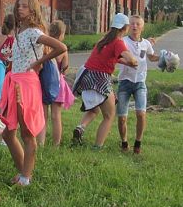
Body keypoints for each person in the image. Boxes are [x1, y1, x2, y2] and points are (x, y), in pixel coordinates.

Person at [0, 0, 66, 186]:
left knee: (27, 132)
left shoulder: (34, 33)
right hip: (13, 81)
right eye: (19, 6)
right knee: (8, 133)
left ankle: (26, 177)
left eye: (25, 7)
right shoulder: (20, 31)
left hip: (26, 84)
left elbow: (60, 47)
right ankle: (22, 172)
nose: (20, 9)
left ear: (33, 10)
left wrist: (38, 62)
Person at [71, 13, 138, 149]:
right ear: (124, 28)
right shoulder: (118, 42)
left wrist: (123, 62)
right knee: (109, 115)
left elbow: (109, 57)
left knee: (94, 109)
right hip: (100, 79)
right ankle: (98, 146)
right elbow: (130, 58)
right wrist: (134, 61)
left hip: (87, 75)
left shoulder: (104, 40)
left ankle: (80, 127)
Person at [116, 14, 159, 154]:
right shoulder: (122, 41)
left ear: (142, 27)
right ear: (128, 26)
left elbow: (151, 57)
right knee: (122, 117)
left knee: (141, 114)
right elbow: (116, 56)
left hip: (140, 82)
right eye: (132, 23)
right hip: (124, 82)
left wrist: (164, 57)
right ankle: (124, 142)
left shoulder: (146, 43)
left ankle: (138, 143)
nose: (134, 26)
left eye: (137, 24)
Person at [36, 20, 75, 146]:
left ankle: (40, 143)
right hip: (57, 84)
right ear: (62, 34)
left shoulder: (45, 46)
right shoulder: (62, 50)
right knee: (56, 116)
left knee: (43, 115)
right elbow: (65, 68)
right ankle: (55, 145)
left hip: (43, 83)